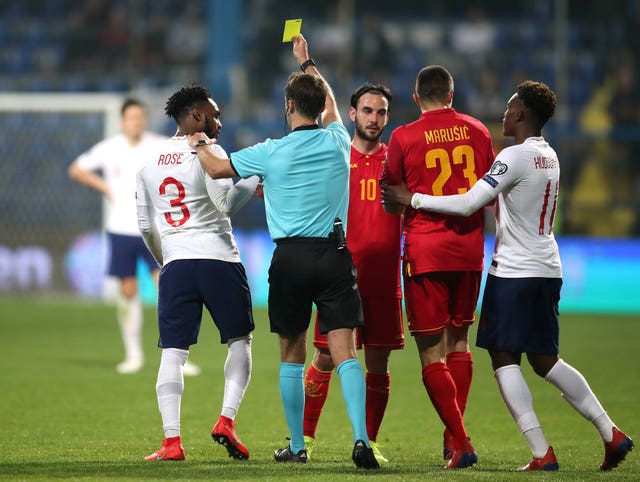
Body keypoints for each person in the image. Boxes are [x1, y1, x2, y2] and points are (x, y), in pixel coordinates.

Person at [381, 80, 634, 472]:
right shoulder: (550, 156)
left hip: (515, 271)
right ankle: (611, 432)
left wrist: (411, 198)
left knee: (503, 359)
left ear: (521, 114)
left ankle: (540, 452)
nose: (503, 112)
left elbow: (469, 203)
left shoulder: (514, 157)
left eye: (509, 106)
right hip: (548, 266)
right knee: (547, 360)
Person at [188, 34, 379, 470]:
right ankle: (361, 440)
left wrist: (199, 141)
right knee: (346, 350)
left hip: (290, 259)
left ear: (288, 106)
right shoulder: (338, 140)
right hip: (334, 254)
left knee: (292, 351)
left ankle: (297, 445)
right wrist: (307, 61)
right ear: (320, 108)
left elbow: (217, 169)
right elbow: (330, 101)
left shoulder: (269, 152)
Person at [380, 65, 495, 469]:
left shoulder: (404, 136)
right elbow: (488, 186)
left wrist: (403, 198)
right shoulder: (478, 131)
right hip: (468, 251)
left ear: (416, 98)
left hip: (425, 252)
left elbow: (392, 193)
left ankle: (460, 441)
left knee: (431, 352)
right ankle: (453, 440)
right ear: (451, 94)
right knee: (459, 342)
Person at [137, 84, 260, 462]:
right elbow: (224, 202)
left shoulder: (148, 162)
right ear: (194, 116)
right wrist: (254, 178)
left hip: (176, 264)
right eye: (213, 114)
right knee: (240, 341)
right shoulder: (208, 150)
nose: (218, 122)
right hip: (219, 258)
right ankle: (226, 420)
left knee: (173, 352)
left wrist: (166, 260)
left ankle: (172, 442)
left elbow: (145, 224)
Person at [302, 83, 403, 465]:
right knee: (326, 358)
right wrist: (307, 65)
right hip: (339, 280)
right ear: (352, 113)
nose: (374, 119)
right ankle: (305, 439)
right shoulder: (337, 155)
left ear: (387, 118)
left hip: (382, 282)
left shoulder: (397, 162)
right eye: (367, 111)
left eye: (380, 113)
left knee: (378, 366)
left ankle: (369, 443)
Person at [68, 98, 200, 376]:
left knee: (169, 289)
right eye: (131, 118)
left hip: (156, 229)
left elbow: (189, 161)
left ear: (145, 120)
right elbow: (76, 169)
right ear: (122, 121)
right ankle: (133, 355)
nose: (136, 122)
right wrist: (104, 186)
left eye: (140, 117)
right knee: (128, 292)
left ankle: (178, 357)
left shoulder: (159, 144)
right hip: (121, 230)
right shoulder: (109, 148)